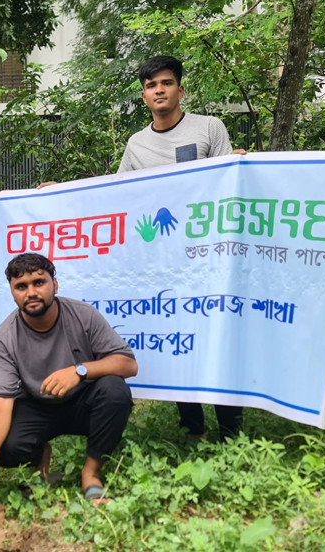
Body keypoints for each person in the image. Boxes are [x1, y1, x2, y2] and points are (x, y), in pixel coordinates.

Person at [119, 54, 244, 441]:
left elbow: (229, 187)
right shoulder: (136, 145)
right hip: (166, 263)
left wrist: (239, 165)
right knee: (180, 340)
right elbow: (117, 196)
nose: (159, 90)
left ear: (180, 89)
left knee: (219, 336)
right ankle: (191, 426)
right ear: (144, 97)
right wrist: (59, 193)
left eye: (166, 83)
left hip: (212, 259)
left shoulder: (209, 128)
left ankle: (229, 431)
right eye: (151, 85)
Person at [0, 253, 138, 506]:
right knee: (6, 447)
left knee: (115, 391)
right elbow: (1, 400)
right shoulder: (4, 338)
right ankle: (40, 458)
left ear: (54, 285)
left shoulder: (83, 315)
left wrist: (78, 371)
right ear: (12, 292)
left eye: (39, 282)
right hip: (37, 406)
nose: (31, 292)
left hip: (84, 401)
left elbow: (128, 364)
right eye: (21, 287)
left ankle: (90, 474)